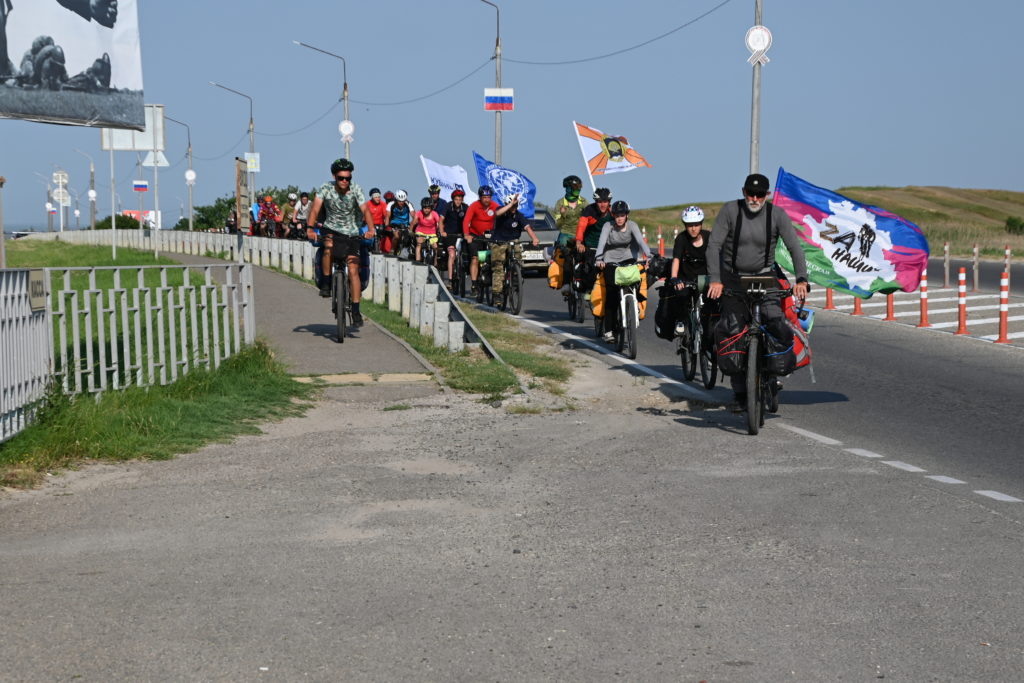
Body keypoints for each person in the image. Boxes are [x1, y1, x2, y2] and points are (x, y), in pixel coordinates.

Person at [706, 173, 809, 407]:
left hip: (765, 278)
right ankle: (741, 391)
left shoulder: (777, 215)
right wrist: (715, 280)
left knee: (775, 321)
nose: (754, 198)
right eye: (750, 194)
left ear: (767, 195)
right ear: (743, 192)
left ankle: (772, 373)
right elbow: (714, 246)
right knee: (734, 330)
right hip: (733, 279)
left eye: (760, 194)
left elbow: (795, 247)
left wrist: (801, 279)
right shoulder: (730, 211)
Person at [306, 158, 376, 327]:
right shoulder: (325, 188)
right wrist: (309, 228)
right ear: (334, 176)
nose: (344, 181)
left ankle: (356, 310)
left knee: (353, 269)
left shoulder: (356, 190)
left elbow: (365, 210)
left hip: (351, 232)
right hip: (330, 228)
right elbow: (315, 209)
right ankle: (327, 283)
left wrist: (371, 229)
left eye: (348, 178)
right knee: (327, 246)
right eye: (341, 178)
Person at [594, 200, 651, 341]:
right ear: (613, 215)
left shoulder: (632, 226)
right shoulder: (608, 226)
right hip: (610, 260)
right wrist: (599, 259)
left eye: (622, 215)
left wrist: (648, 256)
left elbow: (641, 241)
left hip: (629, 259)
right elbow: (601, 244)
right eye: (617, 215)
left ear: (627, 215)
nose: (619, 218)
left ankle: (634, 306)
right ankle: (608, 330)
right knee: (612, 294)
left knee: (637, 282)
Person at [489, 194, 539, 308]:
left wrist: (534, 238)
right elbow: (497, 213)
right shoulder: (501, 211)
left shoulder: (519, 216)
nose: (514, 208)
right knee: (498, 267)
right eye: (512, 205)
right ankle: (497, 294)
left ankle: (516, 275)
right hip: (499, 241)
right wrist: (510, 204)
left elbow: (527, 228)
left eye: (516, 205)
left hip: (513, 241)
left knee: (517, 257)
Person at [669, 205, 712, 335]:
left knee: (713, 301)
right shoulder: (681, 239)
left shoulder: (710, 237)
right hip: (686, 277)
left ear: (701, 224)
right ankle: (681, 320)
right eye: (689, 225)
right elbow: (676, 259)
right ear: (685, 225)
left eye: (696, 224)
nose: (693, 228)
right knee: (682, 294)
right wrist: (674, 278)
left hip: (705, 277)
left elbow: (717, 258)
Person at [573, 187, 614, 295]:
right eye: (600, 202)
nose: (602, 205)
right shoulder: (589, 210)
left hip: (607, 246)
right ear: (596, 202)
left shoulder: (613, 212)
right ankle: (589, 289)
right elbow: (581, 226)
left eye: (605, 202)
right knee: (591, 268)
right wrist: (579, 242)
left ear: (609, 202)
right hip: (590, 245)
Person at [463, 185, 498, 293]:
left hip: (490, 236)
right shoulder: (474, 206)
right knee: (475, 258)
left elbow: (501, 217)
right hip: (475, 236)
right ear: (480, 197)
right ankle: (474, 283)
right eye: (484, 197)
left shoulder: (495, 206)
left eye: (488, 197)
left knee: (492, 259)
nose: (487, 199)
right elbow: (466, 221)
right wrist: (466, 235)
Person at [440, 188, 468, 283]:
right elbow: (441, 220)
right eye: (456, 199)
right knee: (452, 255)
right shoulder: (448, 206)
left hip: (461, 234)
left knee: (465, 254)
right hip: (449, 234)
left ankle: (464, 271)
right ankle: (450, 279)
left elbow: (469, 220)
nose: (458, 201)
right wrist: (442, 231)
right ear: (453, 199)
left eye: (460, 199)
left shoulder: (465, 207)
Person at [411, 196, 443, 264]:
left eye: (428, 208)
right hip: (421, 232)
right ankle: (417, 261)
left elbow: (439, 223)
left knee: (435, 246)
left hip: (432, 233)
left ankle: (435, 263)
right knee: (419, 244)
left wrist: (441, 231)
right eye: (425, 208)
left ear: (431, 208)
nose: (426, 210)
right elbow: (413, 222)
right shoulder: (419, 213)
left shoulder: (434, 214)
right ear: (422, 207)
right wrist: (410, 231)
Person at [385, 189, 414, 257]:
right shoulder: (391, 204)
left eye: (403, 201)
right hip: (394, 224)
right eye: (400, 201)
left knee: (411, 236)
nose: (401, 202)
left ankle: (410, 252)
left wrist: (412, 225)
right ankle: (392, 250)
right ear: (396, 199)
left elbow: (414, 216)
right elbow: (387, 216)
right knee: (396, 236)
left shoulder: (408, 204)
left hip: (405, 224)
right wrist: (387, 226)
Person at [364, 187, 389, 252]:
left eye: (379, 197)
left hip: (380, 224)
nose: (378, 198)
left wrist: (386, 225)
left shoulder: (383, 204)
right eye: (376, 197)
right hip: (369, 224)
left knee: (380, 235)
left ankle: (379, 248)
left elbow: (386, 215)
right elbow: (364, 215)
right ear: (372, 197)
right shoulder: (367, 204)